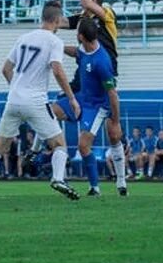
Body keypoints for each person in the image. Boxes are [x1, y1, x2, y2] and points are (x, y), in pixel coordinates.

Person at [0, 2, 82, 204]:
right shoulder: (54, 41)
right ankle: (58, 179)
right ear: (56, 20)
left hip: (13, 99)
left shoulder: (24, 38)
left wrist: (16, 88)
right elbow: (57, 70)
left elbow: (5, 69)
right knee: (59, 144)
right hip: (35, 100)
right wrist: (71, 98)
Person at [54, 18, 125, 197]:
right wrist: (57, 47)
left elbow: (112, 94)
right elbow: (76, 53)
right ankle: (35, 151)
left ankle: (96, 188)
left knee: (84, 146)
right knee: (50, 111)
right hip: (82, 98)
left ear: (80, 36)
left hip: (97, 106)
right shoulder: (85, 48)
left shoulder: (102, 62)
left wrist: (115, 120)